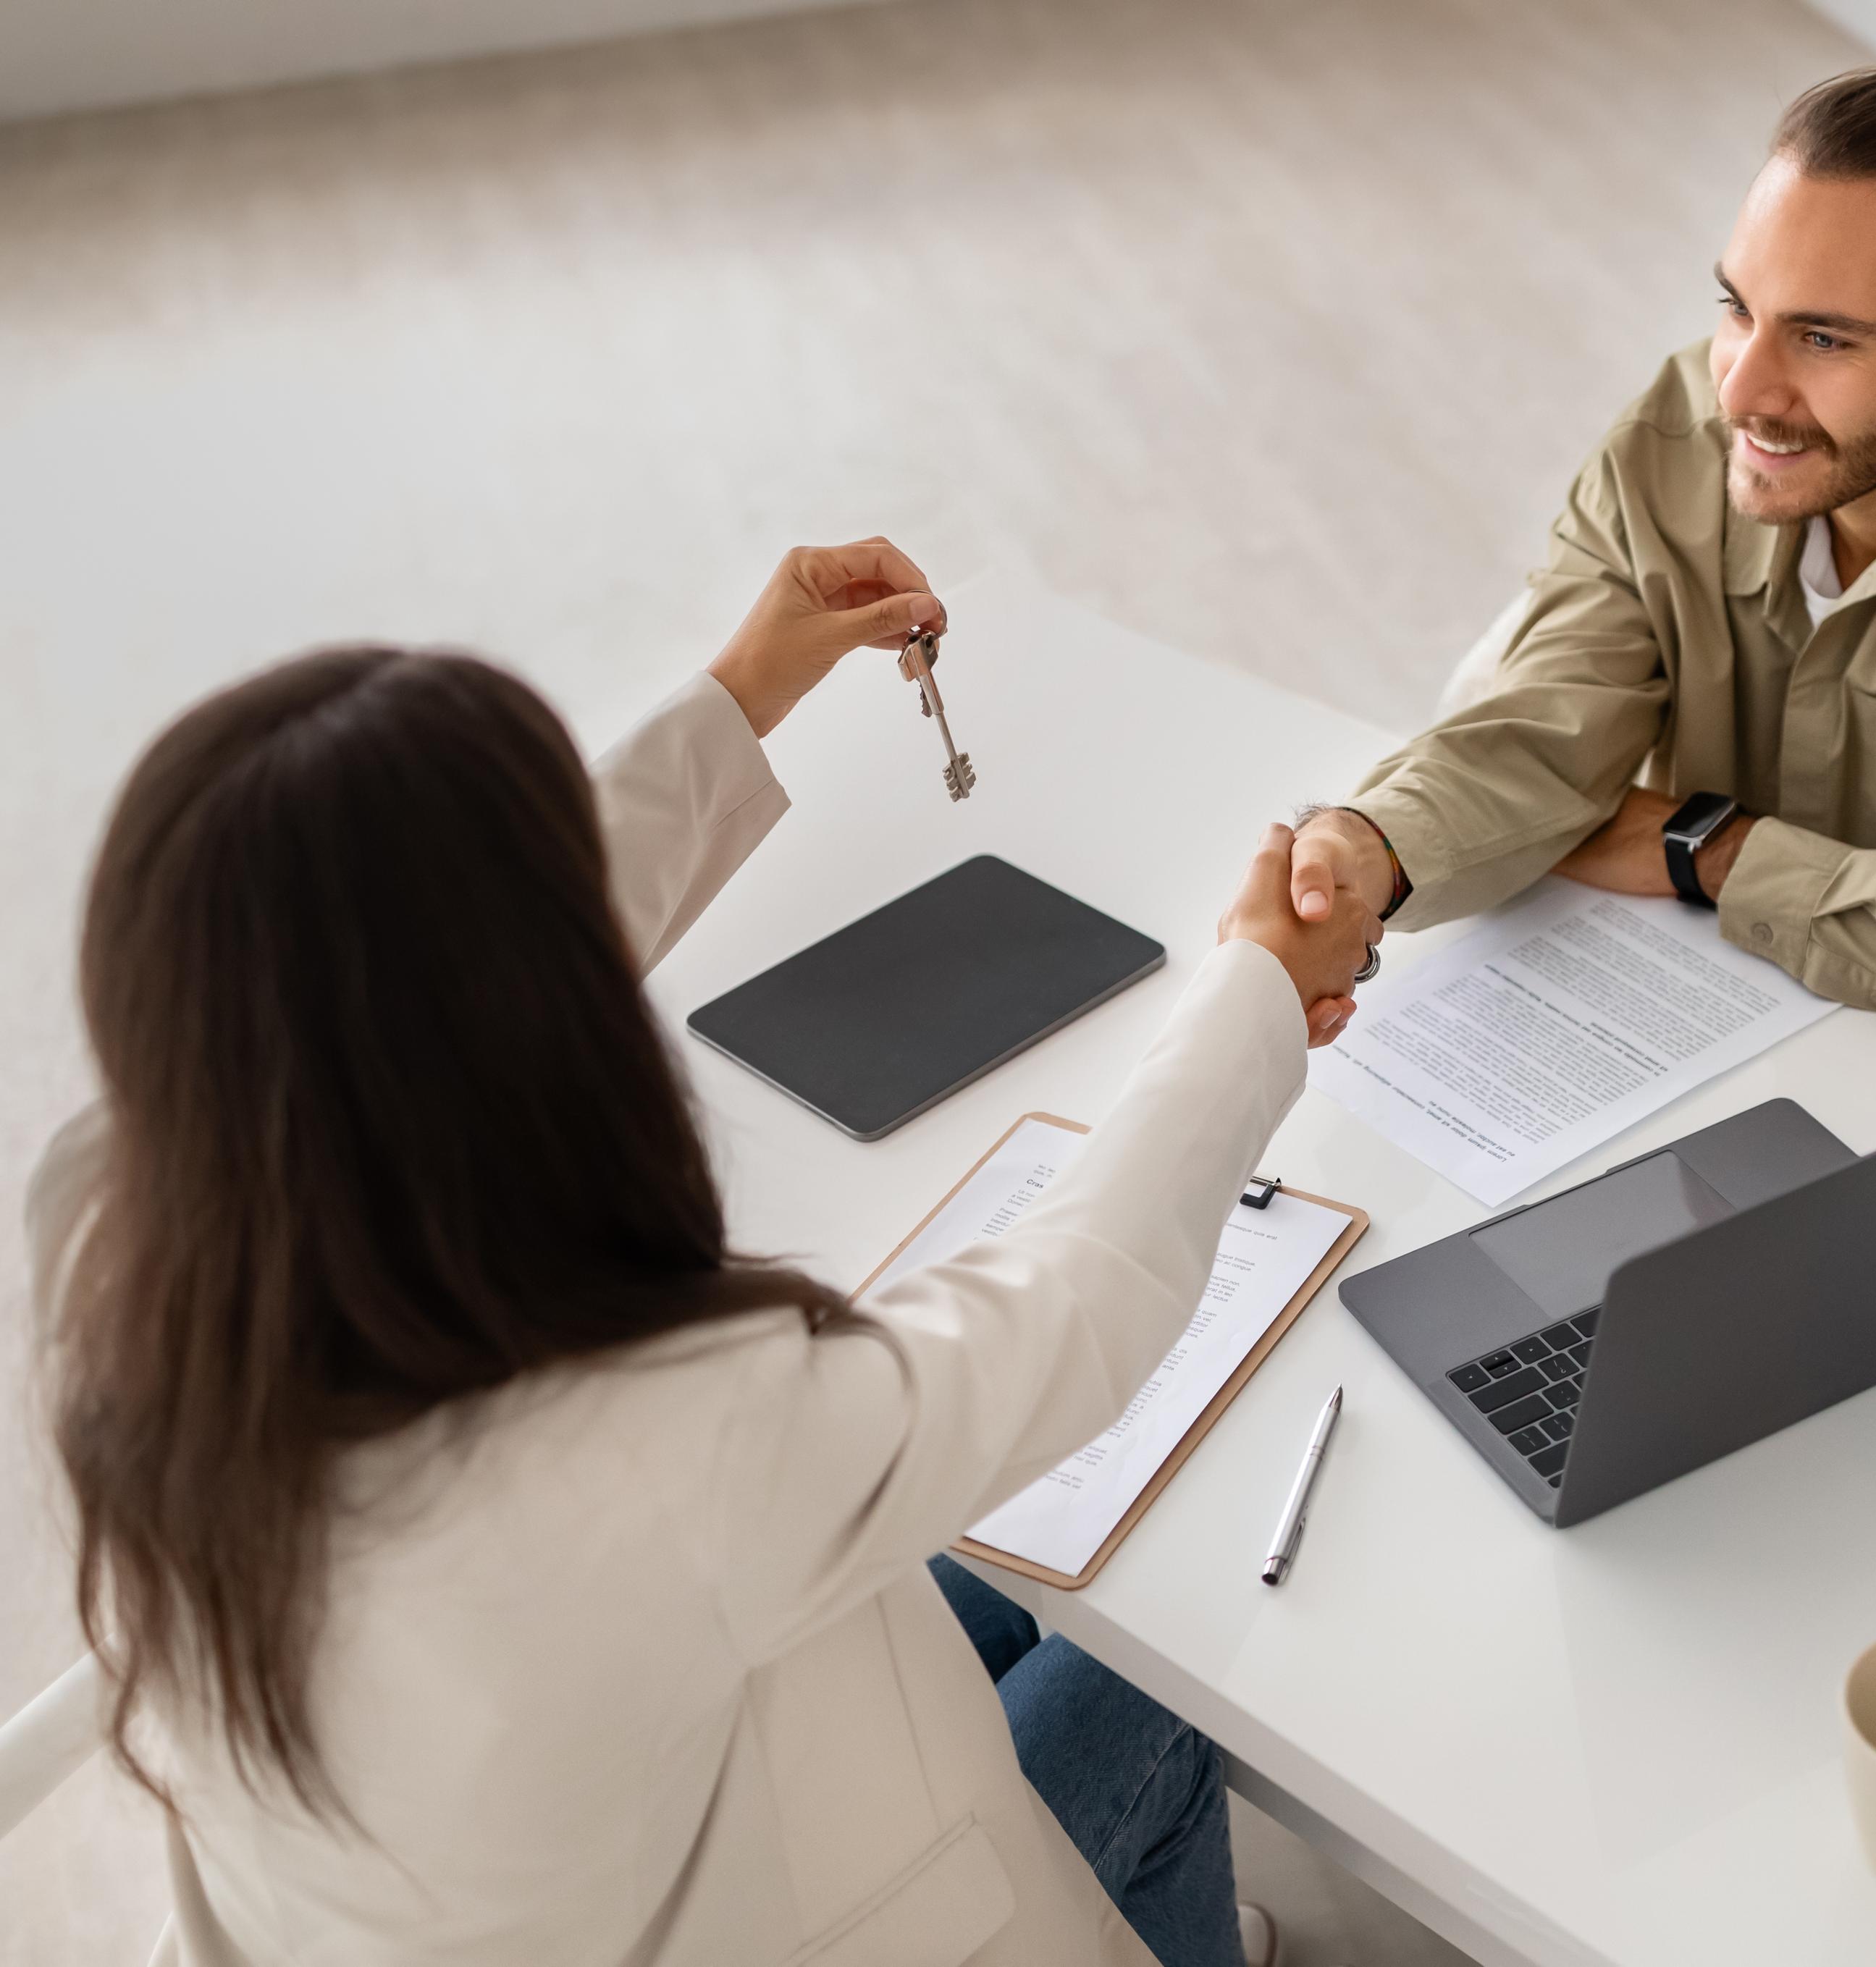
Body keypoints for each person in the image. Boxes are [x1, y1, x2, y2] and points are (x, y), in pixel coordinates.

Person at [30, 540, 1376, 1967]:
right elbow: (1066, 1314)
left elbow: (421, 978)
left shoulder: (113, 1237)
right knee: (1154, 1686)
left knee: (1014, 1582)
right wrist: (1255, 996)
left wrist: (747, 689)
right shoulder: (637, 1455)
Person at [1282, 67, 1876, 1052]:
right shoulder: (1677, 435)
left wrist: (1704, 847)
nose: (1742, 390)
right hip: (1677, 1015)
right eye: (1738, 307)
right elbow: (1542, 741)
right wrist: (1364, 856)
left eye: (1823, 337)